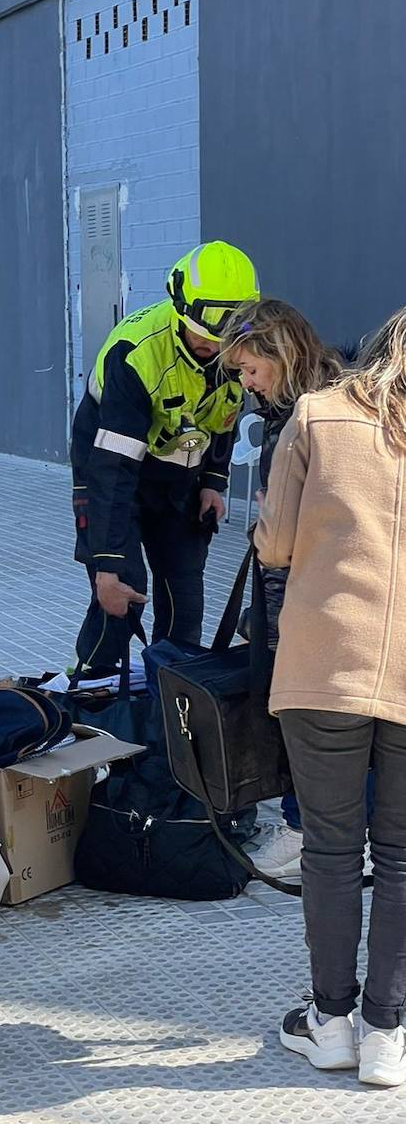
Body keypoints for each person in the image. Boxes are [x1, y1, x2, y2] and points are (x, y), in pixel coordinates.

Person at [256, 307, 406, 1087]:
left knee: (332, 848)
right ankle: (386, 1033)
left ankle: (331, 1021)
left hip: (324, 664)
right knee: (403, 856)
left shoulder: (314, 415)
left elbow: (275, 544)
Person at [69, 241, 259, 674]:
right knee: (120, 596)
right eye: (205, 338)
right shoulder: (136, 355)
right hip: (114, 473)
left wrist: (214, 480)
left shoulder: (236, 347)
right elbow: (113, 472)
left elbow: (225, 417)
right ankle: (96, 698)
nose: (214, 350)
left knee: (185, 598)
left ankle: (172, 708)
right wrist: (108, 564)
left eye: (225, 341)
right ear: (179, 312)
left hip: (181, 478)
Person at [221, 299, 343, 881]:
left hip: (302, 589)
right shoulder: (346, 394)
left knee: (298, 715)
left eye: (250, 370)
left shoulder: (302, 421)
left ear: (279, 354)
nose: (246, 384)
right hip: (344, 587)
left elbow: (283, 535)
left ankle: (303, 831)